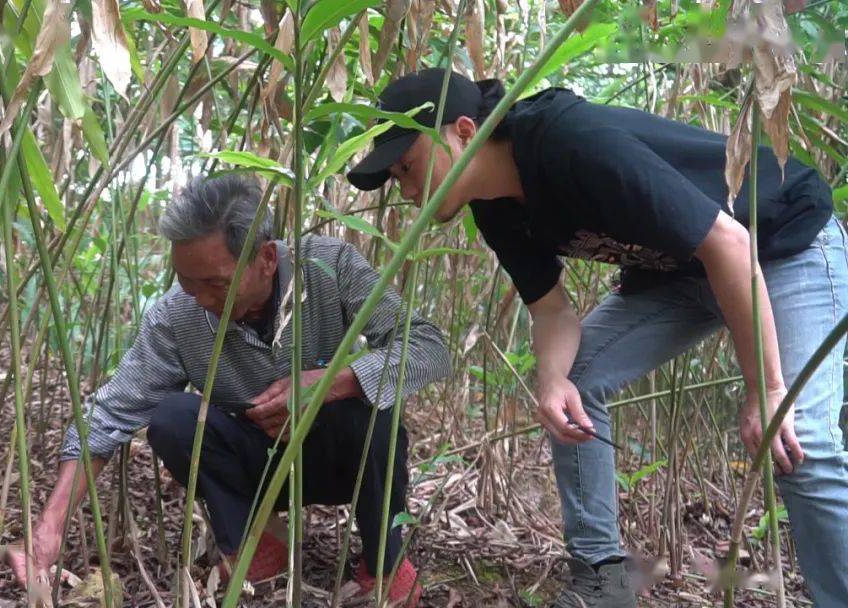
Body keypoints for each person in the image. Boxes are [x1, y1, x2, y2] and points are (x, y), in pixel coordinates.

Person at [345, 68, 847, 607]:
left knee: (799, 441)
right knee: (577, 385)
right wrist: (554, 378)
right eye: (397, 177)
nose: (409, 189)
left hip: (781, 248)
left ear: (464, 130)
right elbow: (552, 309)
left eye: (408, 166)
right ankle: (602, 581)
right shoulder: (493, 206)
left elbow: (729, 244)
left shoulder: (566, 139)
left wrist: (768, 388)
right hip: (680, 275)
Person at [7, 174, 451, 606]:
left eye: (217, 284)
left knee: (371, 410)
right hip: (254, 469)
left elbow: (429, 347)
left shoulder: (329, 266)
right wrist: (49, 528)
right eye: (186, 281)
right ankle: (255, 543)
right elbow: (110, 414)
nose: (200, 299)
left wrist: (328, 385)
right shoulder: (177, 316)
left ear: (267, 259)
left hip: (339, 460)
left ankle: (382, 562)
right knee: (173, 419)